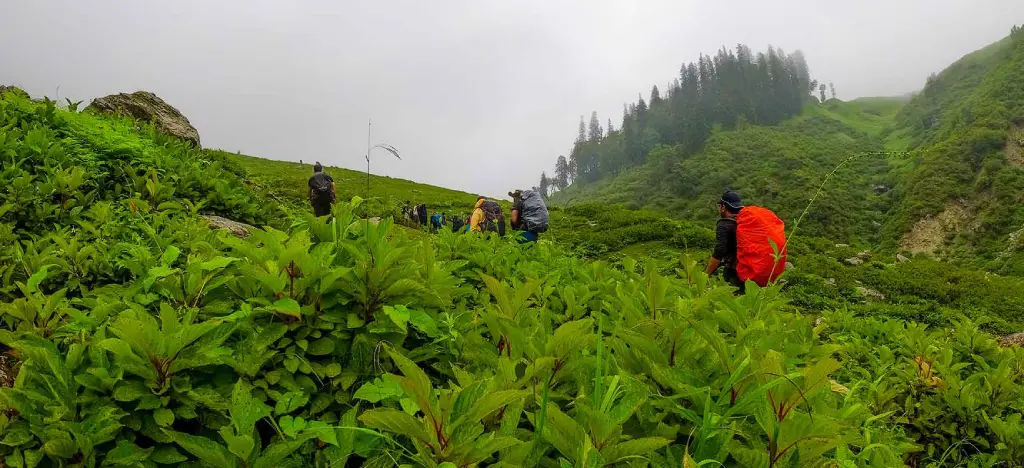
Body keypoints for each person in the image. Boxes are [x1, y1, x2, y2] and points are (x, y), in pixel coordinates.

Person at [705, 190, 744, 291]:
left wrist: (706, 274)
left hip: (734, 272)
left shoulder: (724, 224)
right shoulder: (743, 221)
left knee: (729, 300)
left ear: (723, 207)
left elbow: (719, 252)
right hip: (751, 268)